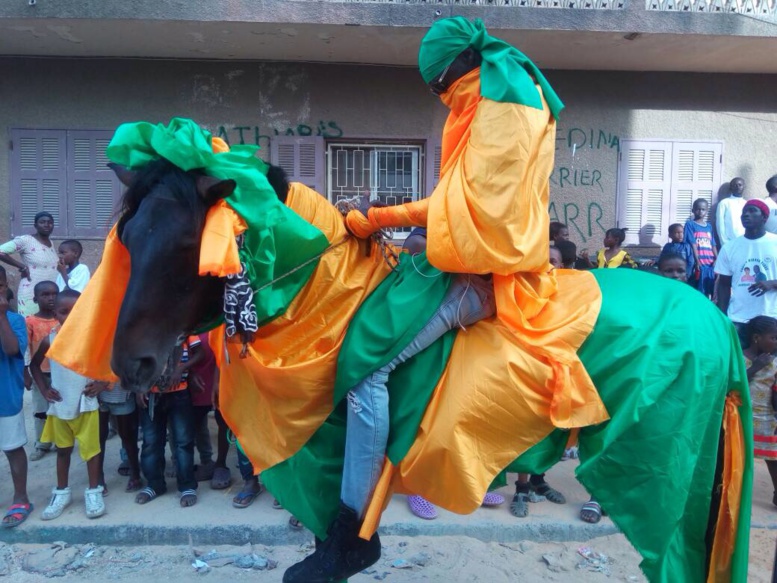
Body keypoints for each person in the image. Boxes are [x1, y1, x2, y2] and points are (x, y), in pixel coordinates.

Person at [286, 17, 603, 582]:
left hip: (479, 279)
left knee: (367, 370)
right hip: (455, 264)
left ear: (464, 64)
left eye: (441, 83)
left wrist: (375, 218)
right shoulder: (486, 98)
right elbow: (455, 203)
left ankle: (353, 532)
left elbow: (461, 210)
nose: (439, 95)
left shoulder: (503, 106)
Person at [30, 289, 107, 520]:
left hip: (86, 404)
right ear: (55, 314)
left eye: (76, 311)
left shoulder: (92, 338)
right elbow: (34, 365)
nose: (71, 316)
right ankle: (62, 492)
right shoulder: (50, 340)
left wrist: (102, 384)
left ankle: (93, 492)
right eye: (64, 312)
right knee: (63, 451)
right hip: (61, 405)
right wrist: (44, 389)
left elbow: (110, 363)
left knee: (92, 452)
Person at [135, 335, 203, 508]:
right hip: (151, 394)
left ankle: (187, 486)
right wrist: (139, 388)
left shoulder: (182, 328)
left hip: (179, 393)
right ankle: (154, 485)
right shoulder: (144, 329)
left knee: (183, 442)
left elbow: (200, 352)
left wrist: (181, 369)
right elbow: (136, 358)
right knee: (151, 442)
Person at [716, 199, 777, 342]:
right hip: (739, 318)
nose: (746, 215)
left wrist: (772, 283)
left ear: (764, 217)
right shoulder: (729, 247)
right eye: (744, 212)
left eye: (752, 211)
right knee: (739, 357)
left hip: (771, 318)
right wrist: (722, 316)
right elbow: (723, 284)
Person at [0, 265, 32, 528]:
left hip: (5, 398)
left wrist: (1, 315)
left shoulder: (14, 320)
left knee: (12, 448)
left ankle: (21, 497)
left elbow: (12, 350)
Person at [741, 316, 777, 507]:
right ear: (756, 338)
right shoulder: (740, 358)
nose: (776, 342)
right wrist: (756, 367)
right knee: (738, 455)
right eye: (774, 338)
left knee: (773, 457)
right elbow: (734, 384)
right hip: (741, 416)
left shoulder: (774, 362)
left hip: (766, 418)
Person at [24, 280, 60, 461]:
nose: (51, 298)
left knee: (59, 406)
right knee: (41, 410)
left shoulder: (63, 319)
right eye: (45, 295)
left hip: (61, 372)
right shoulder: (30, 321)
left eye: (54, 294)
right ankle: (42, 443)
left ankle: (60, 441)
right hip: (40, 372)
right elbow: (25, 349)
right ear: (35, 299)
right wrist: (25, 373)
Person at [0, 211, 59, 317]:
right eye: (42, 222)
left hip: (49, 294)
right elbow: (1, 252)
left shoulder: (51, 243)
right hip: (31, 292)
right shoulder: (26, 240)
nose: (46, 225)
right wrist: (22, 266)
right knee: (29, 322)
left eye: (50, 222)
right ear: (35, 225)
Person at [97, 382, 141, 494]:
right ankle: (98, 477)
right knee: (98, 437)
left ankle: (135, 473)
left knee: (127, 435)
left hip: (122, 392)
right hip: (96, 393)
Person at [684, 198, 717, 297]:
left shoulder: (709, 226)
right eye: (698, 209)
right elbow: (692, 243)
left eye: (703, 209)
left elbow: (713, 244)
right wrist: (697, 261)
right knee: (698, 289)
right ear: (693, 210)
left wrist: (717, 258)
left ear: (706, 211)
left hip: (710, 262)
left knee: (710, 288)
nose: (700, 211)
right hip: (699, 262)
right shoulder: (690, 224)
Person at [716, 177, 747, 247]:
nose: (737, 187)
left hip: (744, 242)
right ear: (731, 188)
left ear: (744, 187)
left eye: (740, 185)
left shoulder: (746, 203)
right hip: (729, 243)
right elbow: (720, 225)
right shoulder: (724, 203)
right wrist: (724, 243)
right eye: (735, 185)